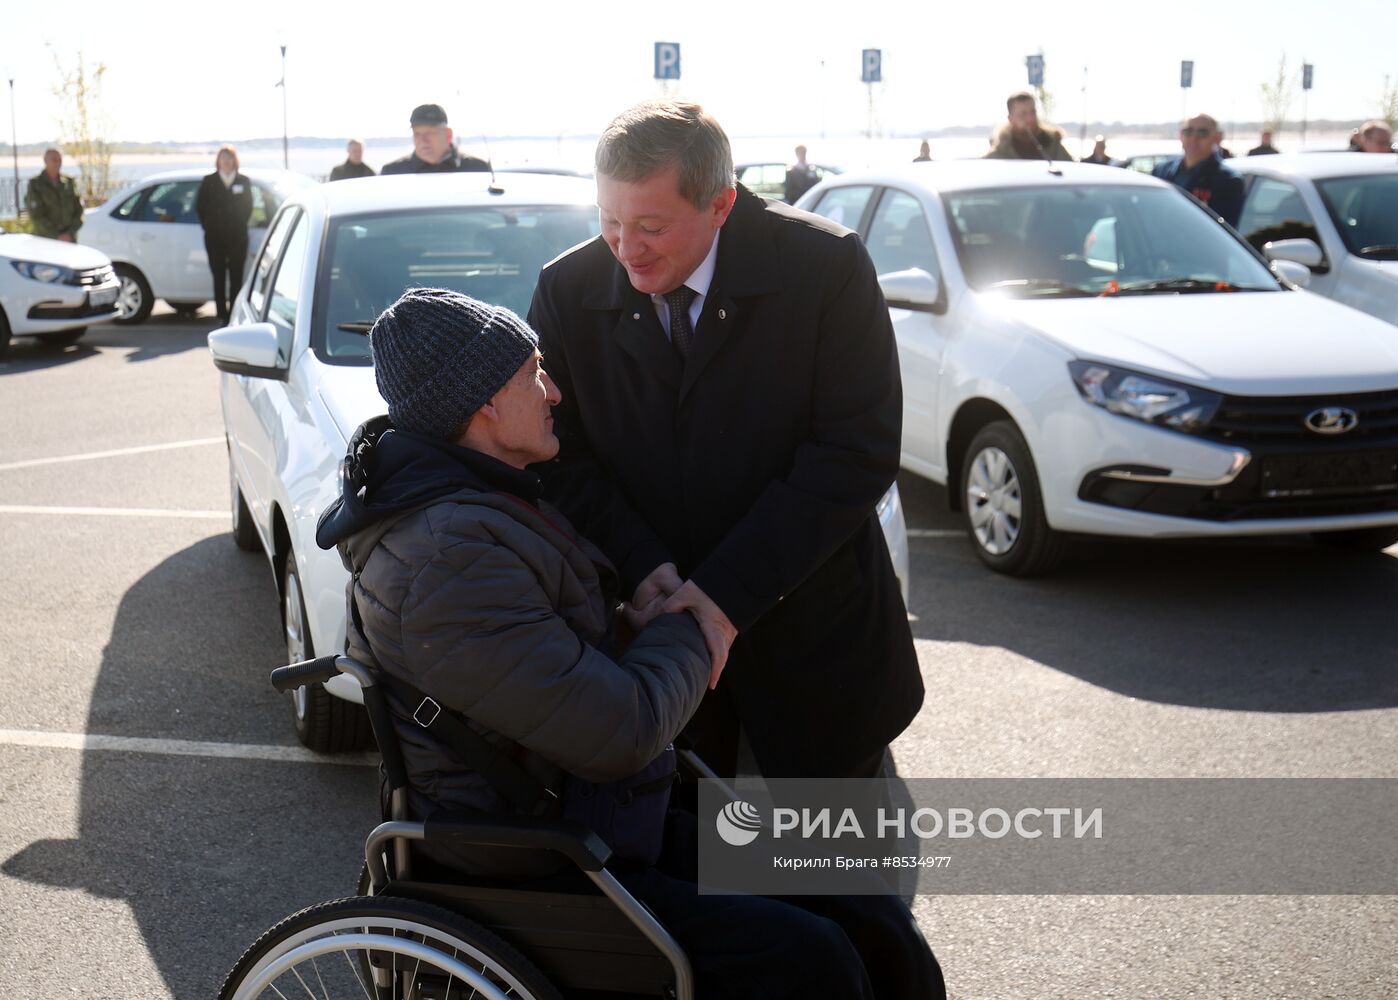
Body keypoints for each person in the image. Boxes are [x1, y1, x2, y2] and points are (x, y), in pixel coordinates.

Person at [315, 286, 944, 1000]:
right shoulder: (444, 559)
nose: (553, 393)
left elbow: (553, 665)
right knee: (811, 957)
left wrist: (631, 618)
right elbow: (625, 729)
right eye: (534, 377)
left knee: (865, 904)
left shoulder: (483, 505)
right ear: (484, 406)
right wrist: (697, 623)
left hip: (600, 817)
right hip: (541, 856)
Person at [528, 99, 924, 786]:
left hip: (817, 648)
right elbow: (560, 458)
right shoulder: (566, 289)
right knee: (702, 878)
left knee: (835, 876)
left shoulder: (824, 268)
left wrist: (724, 594)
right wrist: (640, 562)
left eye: (651, 226)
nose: (626, 250)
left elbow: (856, 450)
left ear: (723, 204)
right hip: (656, 659)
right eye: (609, 221)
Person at [1152, 113, 1244, 227]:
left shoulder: (1228, 181)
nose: (1193, 138)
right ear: (1180, 135)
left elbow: (1223, 230)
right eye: (1188, 131)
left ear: (1217, 137)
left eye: (1202, 133)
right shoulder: (1161, 171)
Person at [195, 144, 253, 323]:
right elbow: (200, 207)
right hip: (215, 238)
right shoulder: (209, 181)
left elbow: (249, 207)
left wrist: (239, 223)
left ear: (235, 161)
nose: (226, 162)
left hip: (237, 237)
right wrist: (209, 226)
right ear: (218, 161)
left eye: (229, 158)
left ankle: (235, 314)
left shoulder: (243, 181)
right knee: (218, 276)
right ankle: (222, 314)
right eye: (223, 158)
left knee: (237, 276)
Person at [380, 103, 491, 175]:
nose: (423, 140)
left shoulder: (476, 169)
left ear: (448, 134)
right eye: (417, 133)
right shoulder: (393, 172)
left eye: (431, 133)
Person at [985, 91, 1074, 161]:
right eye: (1023, 114)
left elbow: (1072, 173)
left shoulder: (1053, 146)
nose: (1030, 119)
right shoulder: (1000, 154)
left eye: (1033, 112)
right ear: (1011, 119)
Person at [24, 148, 83, 241]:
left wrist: (70, 233)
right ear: (45, 161)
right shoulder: (36, 184)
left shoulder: (69, 182)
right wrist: (56, 235)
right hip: (46, 239)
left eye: (60, 160)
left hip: (69, 239)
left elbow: (79, 210)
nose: (58, 163)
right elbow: (36, 215)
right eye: (54, 160)